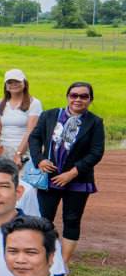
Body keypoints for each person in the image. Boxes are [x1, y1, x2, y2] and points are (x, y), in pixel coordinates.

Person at [29, 81, 103, 264]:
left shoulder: (95, 122)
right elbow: (34, 138)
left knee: (72, 220)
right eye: (74, 95)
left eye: (84, 96)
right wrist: (40, 160)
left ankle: (64, 263)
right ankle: (44, 258)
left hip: (78, 179)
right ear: (68, 97)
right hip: (50, 177)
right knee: (44, 219)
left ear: (90, 100)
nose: (78, 99)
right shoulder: (50, 115)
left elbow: (96, 152)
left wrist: (72, 173)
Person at [0, 68, 41, 164]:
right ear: (6, 86)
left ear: (24, 83)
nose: (13, 84)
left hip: (24, 150)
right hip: (3, 150)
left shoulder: (34, 103)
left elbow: (30, 132)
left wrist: (18, 154)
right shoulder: (0, 103)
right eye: (10, 82)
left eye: (17, 81)